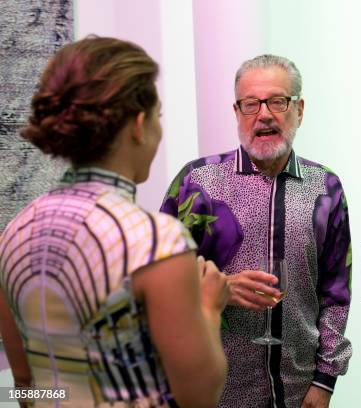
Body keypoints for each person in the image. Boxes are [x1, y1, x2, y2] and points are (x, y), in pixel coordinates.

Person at [0, 36, 229, 407]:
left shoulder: (14, 233)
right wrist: (208, 306)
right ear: (139, 125)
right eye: (159, 116)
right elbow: (199, 394)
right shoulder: (156, 241)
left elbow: (25, 383)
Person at [160, 54, 352, 408]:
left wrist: (325, 380)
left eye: (277, 101)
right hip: (214, 391)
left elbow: (335, 291)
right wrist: (219, 289)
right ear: (237, 112)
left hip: (297, 393)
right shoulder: (196, 182)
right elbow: (158, 282)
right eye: (251, 104)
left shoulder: (325, 188)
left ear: (300, 109)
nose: (264, 114)